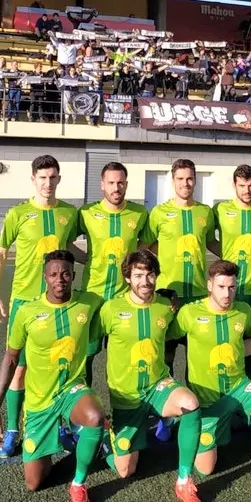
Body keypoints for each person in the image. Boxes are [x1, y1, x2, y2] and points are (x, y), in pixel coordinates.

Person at [0, 250, 106, 502]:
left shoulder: (90, 303)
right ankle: (56, 440)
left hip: (71, 390)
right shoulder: (28, 312)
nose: (59, 279)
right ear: (45, 277)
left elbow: (125, 306)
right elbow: (10, 359)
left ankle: (78, 483)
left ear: (73, 276)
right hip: (39, 402)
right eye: (53, 274)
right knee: (34, 483)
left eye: (65, 273)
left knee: (95, 416)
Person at [167, 260, 251, 499]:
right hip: (207, 399)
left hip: (239, 387)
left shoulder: (243, 311)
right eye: (221, 287)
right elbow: (166, 336)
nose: (227, 293)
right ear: (209, 285)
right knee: (205, 469)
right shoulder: (189, 313)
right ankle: (187, 474)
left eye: (232, 287)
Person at [0, 155, 82, 458]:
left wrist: (94, 260)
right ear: (33, 179)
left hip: (58, 304)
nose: (48, 183)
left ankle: (60, 425)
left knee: (58, 364)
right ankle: (14, 430)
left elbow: (67, 246)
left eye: (53, 177)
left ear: (59, 178)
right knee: (19, 368)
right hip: (25, 303)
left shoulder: (68, 212)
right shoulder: (18, 213)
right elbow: (1, 252)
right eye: (42, 177)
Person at [99, 250, 204, 502]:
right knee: (126, 471)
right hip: (127, 396)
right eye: (138, 275)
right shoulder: (110, 309)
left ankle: (184, 480)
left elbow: (176, 335)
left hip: (157, 386)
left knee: (190, 403)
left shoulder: (165, 307)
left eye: (149, 274)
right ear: (127, 278)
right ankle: (109, 439)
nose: (145, 281)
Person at [78, 162, 155, 385]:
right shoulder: (86, 213)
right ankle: (86, 413)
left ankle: (125, 411)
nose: (116, 188)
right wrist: (86, 259)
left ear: (127, 184)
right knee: (86, 357)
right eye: (111, 183)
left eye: (120, 183)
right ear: (102, 185)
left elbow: (149, 244)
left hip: (125, 299)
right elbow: (66, 240)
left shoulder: (139, 213)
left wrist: (138, 269)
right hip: (93, 296)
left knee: (125, 358)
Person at [214, 164, 251, 381]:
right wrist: (225, 257)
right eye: (242, 185)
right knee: (226, 340)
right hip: (229, 287)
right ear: (234, 185)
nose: (247, 190)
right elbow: (209, 239)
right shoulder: (220, 210)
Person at [147, 158, 218, 303]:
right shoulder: (159, 212)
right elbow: (145, 243)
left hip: (199, 290)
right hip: (167, 291)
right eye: (180, 178)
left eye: (189, 178)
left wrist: (234, 257)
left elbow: (211, 242)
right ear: (173, 181)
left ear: (195, 180)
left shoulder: (205, 212)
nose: (185, 183)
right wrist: (168, 251)